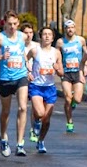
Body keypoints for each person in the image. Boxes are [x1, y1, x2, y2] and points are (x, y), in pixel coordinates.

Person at [0, 13, 30, 157]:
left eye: (14, 24)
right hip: (5, 79)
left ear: (18, 23)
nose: (12, 27)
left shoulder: (23, 37)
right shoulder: (0, 38)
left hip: (21, 76)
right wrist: (0, 57)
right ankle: (3, 137)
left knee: (23, 107)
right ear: (5, 23)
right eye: (9, 24)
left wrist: (28, 65)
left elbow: (25, 52)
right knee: (6, 112)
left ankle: (20, 144)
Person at [26, 25, 61, 153]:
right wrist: (27, 72)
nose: (46, 36)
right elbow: (25, 59)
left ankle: (41, 141)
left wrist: (58, 69)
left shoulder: (56, 52)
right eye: (44, 34)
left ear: (52, 38)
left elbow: (61, 72)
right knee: (40, 113)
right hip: (36, 86)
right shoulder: (35, 51)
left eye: (49, 34)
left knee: (46, 119)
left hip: (50, 88)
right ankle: (35, 122)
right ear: (40, 37)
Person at [59, 19, 85, 134]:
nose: (70, 29)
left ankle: (73, 103)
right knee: (68, 97)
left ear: (75, 28)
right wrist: (58, 68)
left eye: (72, 27)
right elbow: (56, 56)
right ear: (65, 29)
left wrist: (86, 67)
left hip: (78, 72)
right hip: (66, 73)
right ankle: (69, 122)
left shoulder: (81, 40)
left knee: (78, 99)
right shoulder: (60, 42)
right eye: (68, 28)